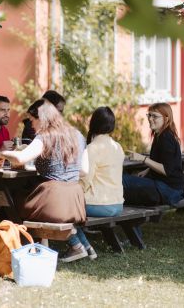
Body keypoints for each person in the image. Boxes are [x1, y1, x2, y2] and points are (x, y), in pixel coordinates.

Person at [0, 99, 86, 225]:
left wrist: (1, 154)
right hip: (75, 205)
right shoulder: (78, 135)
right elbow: (84, 170)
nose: (31, 125)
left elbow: (21, 158)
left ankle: (13, 240)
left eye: (32, 120)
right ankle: (34, 242)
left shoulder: (46, 136)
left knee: (9, 200)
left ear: (42, 119)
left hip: (53, 204)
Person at [61, 107, 125, 263]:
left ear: (93, 124)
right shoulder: (117, 147)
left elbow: (86, 180)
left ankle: (77, 246)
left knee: (61, 209)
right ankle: (88, 249)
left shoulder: (92, 148)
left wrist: (71, 194)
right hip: (117, 204)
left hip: (100, 204)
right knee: (70, 209)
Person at [124, 103, 184, 207]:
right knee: (128, 191)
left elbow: (166, 170)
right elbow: (163, 161)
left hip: (169, 190)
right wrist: (147, 171)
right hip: (168, 188)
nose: (150, 119)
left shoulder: (166, 138)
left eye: (155, 116)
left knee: (123, 180)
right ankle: (131, 221)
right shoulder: (160, 135)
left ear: (166, 119)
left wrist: (143, 159)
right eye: (149, 115)